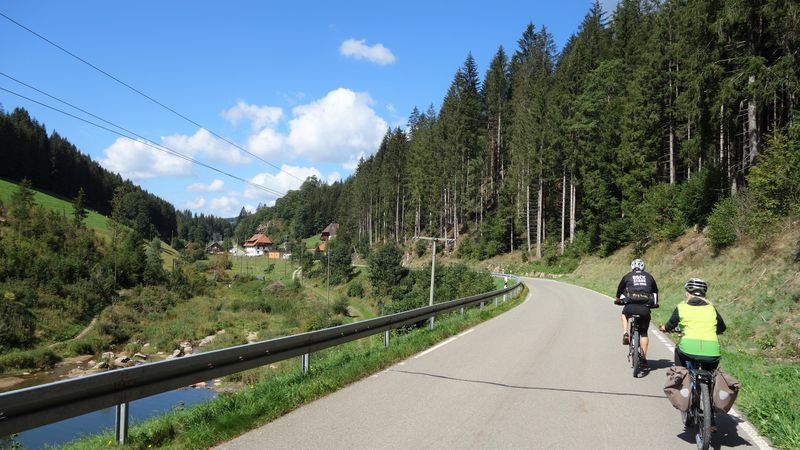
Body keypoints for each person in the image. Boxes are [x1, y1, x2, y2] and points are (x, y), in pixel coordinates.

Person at [660, 278, 726, 370]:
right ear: (704, 295)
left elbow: (671, 325)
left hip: (687, 350)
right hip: (712, 352)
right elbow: (722, 327)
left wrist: (664, 328)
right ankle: (711, 377)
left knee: (678, 352)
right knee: (711, 372)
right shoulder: (711, 308)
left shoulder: (681, 307)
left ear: (687, 293)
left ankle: (679, 375)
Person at [615, 258, 659, 369]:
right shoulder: (649, 277)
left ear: (632, 267)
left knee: (624, 315)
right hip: (644, 308)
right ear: (643, 267)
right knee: (644, 333)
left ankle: (625, 332)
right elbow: (655, 292)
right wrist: (655, 303)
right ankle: (644, 359)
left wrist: (618, 299)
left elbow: (620, 289)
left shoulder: (627, 276)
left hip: (630, 306)